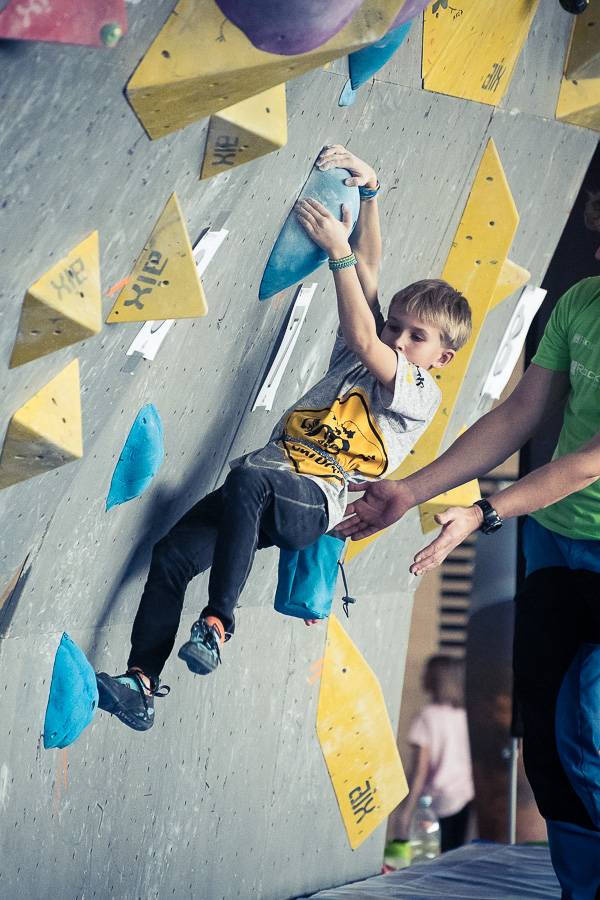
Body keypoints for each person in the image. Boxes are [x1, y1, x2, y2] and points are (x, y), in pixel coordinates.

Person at [95, 145, 472, 734]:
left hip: (312, 503)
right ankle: (141, 682)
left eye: (415, 336)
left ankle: (218, 625)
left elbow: (360, 320)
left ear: (441, 358)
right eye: (395, 326)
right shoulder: (367, 350)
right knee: (171, 555)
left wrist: (337, 256)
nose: (398, 339)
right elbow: (369, 281)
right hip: (267, 483)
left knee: (249, 475)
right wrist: (370, 193)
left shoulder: (420, 392)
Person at [338, 193, 600, 897]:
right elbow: (520, 413)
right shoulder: (581, 301)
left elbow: (589, 461)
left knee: (587, 724)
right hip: (558, 539)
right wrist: (414, 490)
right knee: (544, 740)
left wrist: (486, 512)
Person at [392, 655, 474, 853]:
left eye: (426, 673)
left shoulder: (427, 716)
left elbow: (420, 769)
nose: (421, 678)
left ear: (436, 679)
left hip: (435, 804)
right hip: (464, 798)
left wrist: (406, 810)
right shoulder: (464, 716)